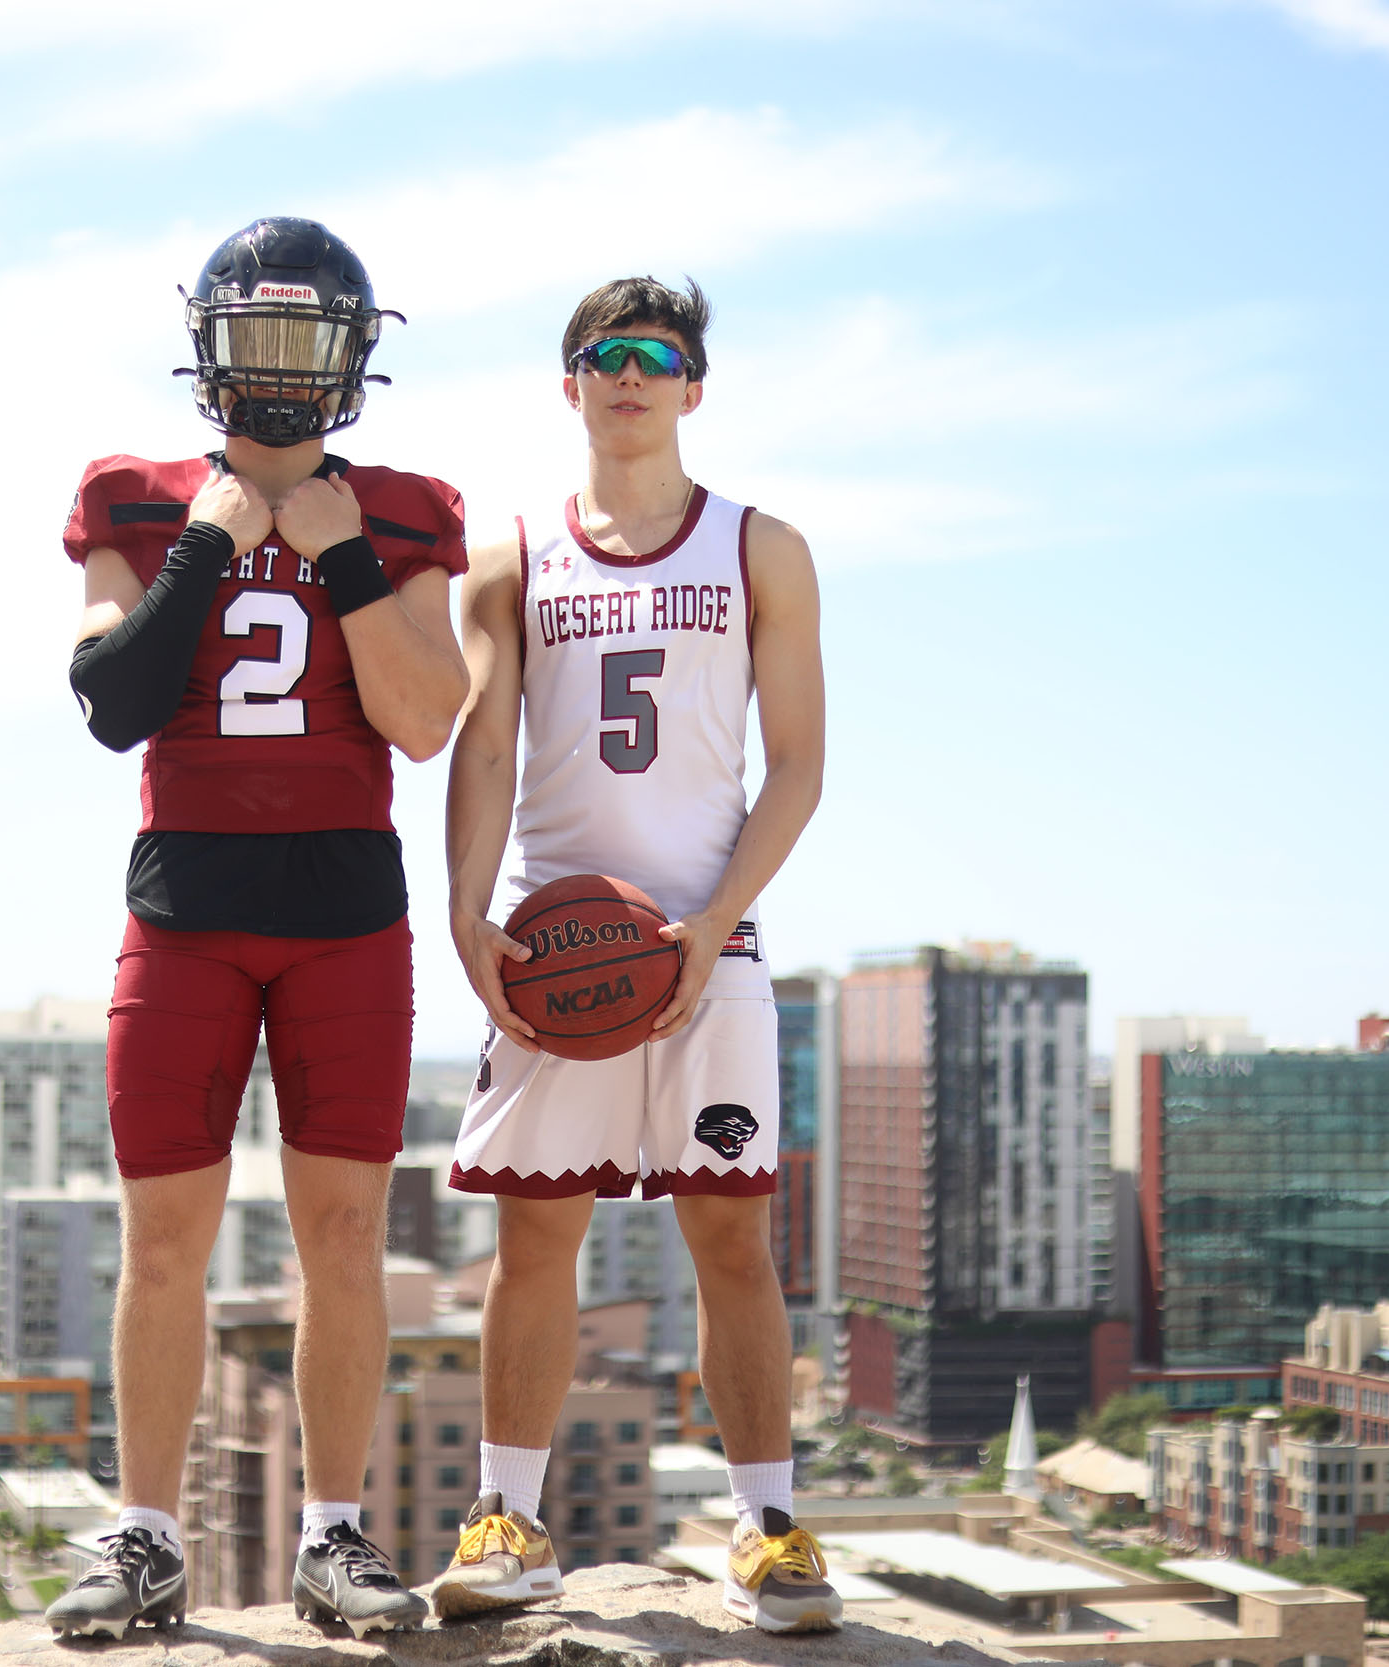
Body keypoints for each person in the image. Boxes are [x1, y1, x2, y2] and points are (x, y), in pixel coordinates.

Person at [47, 217, 469, 1639]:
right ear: (209, 348)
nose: (280, 371)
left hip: (346, 909)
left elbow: (422, 721)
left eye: (308, 341)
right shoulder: (137, 496)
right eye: (259, 337)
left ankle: (335, 1536)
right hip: (189, 903)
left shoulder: (409, 510)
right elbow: (113, 705)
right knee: (163, 1238)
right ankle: (147, 1537)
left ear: (354, 362)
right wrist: (208, 551)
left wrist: (343, 557)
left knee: (342, 1236)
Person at [433, 277, 838, 1634]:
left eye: (656, 355)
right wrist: (466, 911)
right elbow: (485, 747)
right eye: (603, 355)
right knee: (533, 1233)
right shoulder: (511, 556)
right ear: (570, 385)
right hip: (558, 945)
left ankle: (770, 1529)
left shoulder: (759, 547)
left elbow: (802, 768)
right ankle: (508, 1517)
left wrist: (714, 920)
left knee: (733, 1235)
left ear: (693, 387)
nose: (629, 374)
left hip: (705, 944)